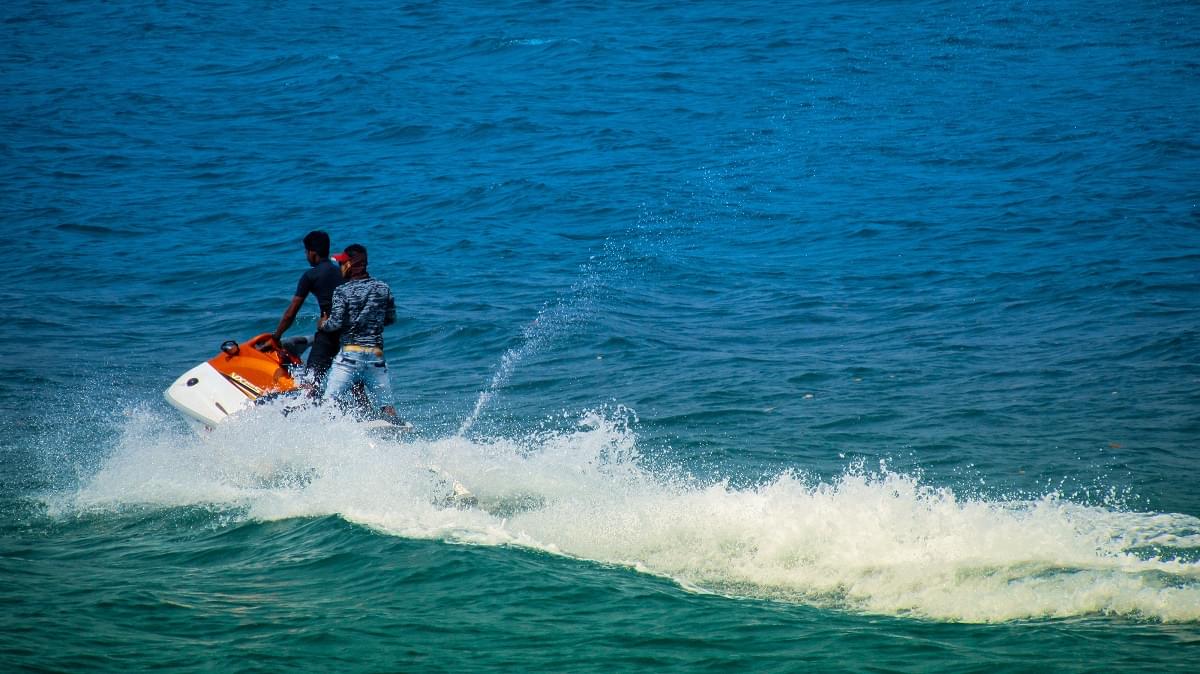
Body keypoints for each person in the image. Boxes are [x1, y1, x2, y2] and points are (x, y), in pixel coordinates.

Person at [319, 244, 399, 420]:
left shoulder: (342, 291)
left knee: (329, 401)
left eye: (342, 263)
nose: (340, 267)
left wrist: (323, 324)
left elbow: (335, 323)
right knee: (387, 406)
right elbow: (391, 319)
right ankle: (396, 435)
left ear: (350, 265)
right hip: (375, 355)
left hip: (350, 356)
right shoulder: (383, 288)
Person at [272, 230, 346, 392]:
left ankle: (308, 414)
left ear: (313, 253)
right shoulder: (341, 272)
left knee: (311, 383)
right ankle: (370, 416)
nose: (306, 256)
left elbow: (291, 313)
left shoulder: (311, 276)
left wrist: (276, 337)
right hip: (348, 334)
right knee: (354, 385)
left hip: (328, 336)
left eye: (306, 252)